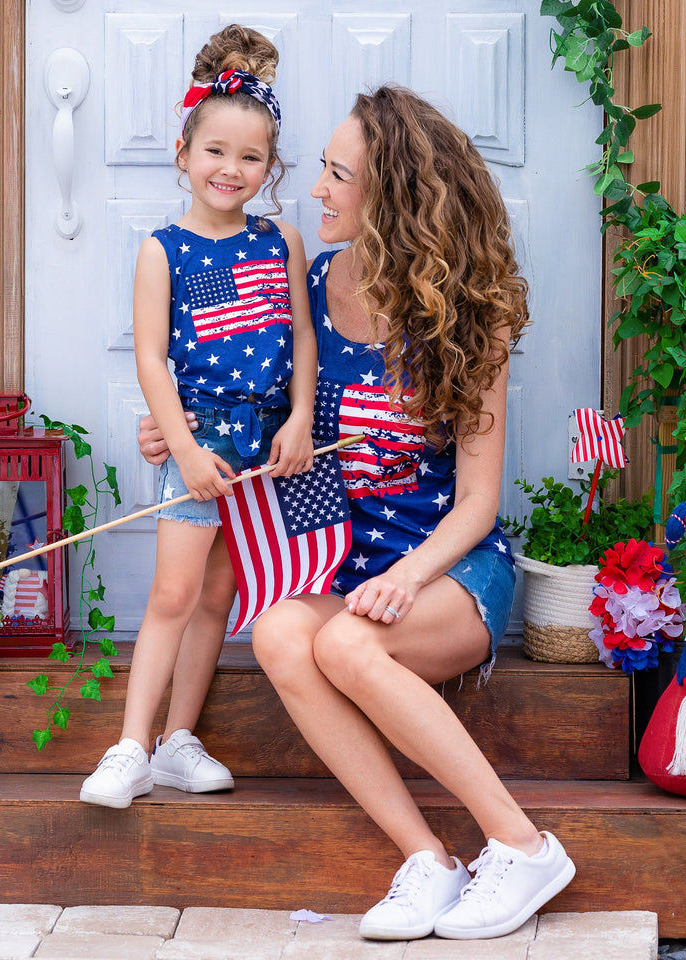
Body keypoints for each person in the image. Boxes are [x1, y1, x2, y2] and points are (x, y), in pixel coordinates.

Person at [138, 84, 575, 942]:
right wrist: (178, 433)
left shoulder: (468, 316)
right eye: (325, 169)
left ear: (395, 195)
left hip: (448, 568)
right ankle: (429, 863)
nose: (317, 189)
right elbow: (255, 403)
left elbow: (478, 503)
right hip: (350, 567)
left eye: (339, 175)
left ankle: (523, 846)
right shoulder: (307, 284)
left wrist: (409, 578)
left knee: (341, 643)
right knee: (276, 633)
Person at [80, 24, 316, 809]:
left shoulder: (281, 239)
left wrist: (301, 419)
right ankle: (129, 746)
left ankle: (178, 741)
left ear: (269, 167)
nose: (231, 169)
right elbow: (152, 359)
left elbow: (302, 337)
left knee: (220, 597)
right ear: (183, 154)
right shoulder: (164, 249)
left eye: (250, 157)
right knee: (174, 595)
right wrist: (182, 447)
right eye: (215, 150)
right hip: (204, 440)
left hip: (270, 443)